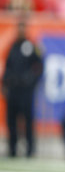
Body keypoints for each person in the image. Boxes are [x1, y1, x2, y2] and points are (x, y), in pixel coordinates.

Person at [2, 15, 43, 158]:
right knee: (11, 121)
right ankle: (12, 150)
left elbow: (40, 67)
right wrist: (5, 84)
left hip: (26, 91)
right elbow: (7, 67)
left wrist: (31, 82)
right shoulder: (13, 46)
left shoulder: (32, 46)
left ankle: (30, 150)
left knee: (27, 121)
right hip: (13, 90)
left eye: (23, 27)